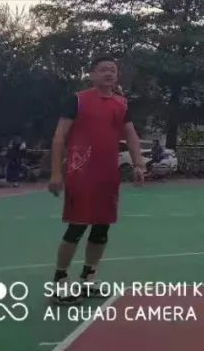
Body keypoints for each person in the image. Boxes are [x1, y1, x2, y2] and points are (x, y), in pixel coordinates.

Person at [48, 56, 145, 303]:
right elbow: (59, 136)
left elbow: (131, 135)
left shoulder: (121, 104)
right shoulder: (77, 100)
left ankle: (88, 278)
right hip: (81, 173)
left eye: (112, 70)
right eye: (103, 70)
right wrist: (56, 173)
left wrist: (138, 164)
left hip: (108, 175)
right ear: (92, 75)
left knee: (102, 227)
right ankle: (59, 281)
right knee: (77, 226)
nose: (108, 73)